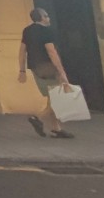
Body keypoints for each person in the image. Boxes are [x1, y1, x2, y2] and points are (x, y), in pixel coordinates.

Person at [18, 7, 73, 139]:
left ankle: (56, 129)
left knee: (52, 98)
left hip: (36, 68)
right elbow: (51, 52)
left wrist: (22, 70)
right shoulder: (46, 31)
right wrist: (61, 71)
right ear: (42, 17)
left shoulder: (27, 30)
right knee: (56, 98)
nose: (49, 18)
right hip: (49, 68)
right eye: (46, 16)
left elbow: (22, 51)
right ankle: (37, 117)